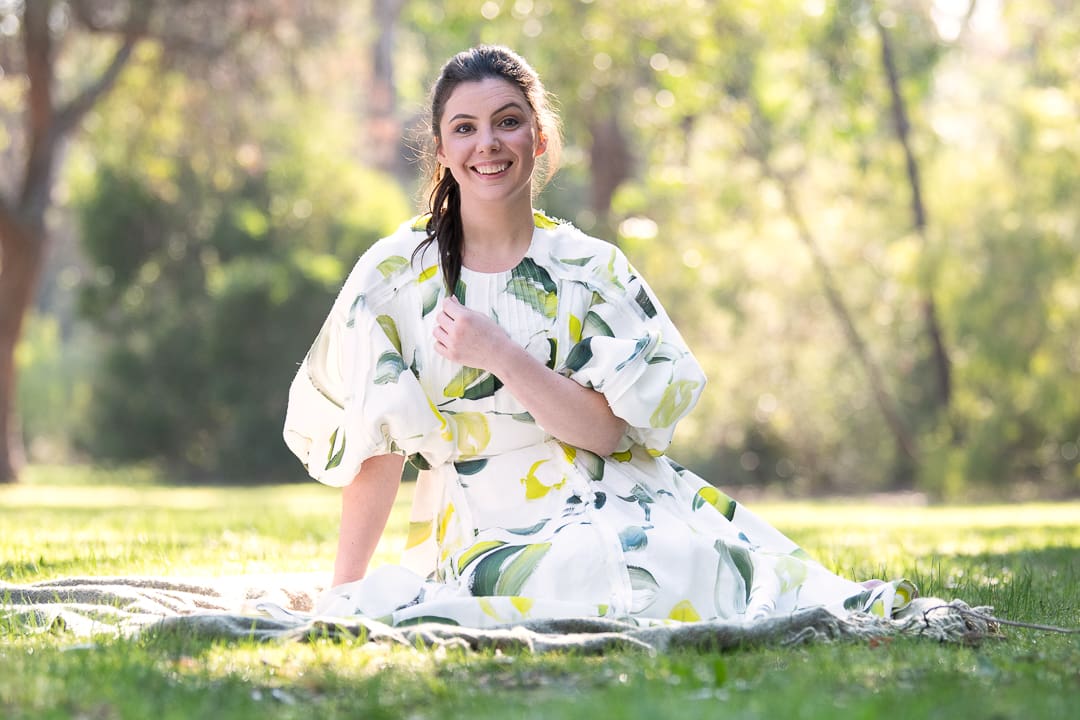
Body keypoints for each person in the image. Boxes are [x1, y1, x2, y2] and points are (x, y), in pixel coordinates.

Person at [283, 45, 915, 626]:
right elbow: (380, 442)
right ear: (442, 150)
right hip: (491, 513)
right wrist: (344, 592)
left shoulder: (592, 268)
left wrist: (498, 352)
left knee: (688, 567)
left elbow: (608, 432)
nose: (488, 145)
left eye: (507, 122)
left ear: (540, 135)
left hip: (621, 487)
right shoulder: (396, 276)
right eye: (465, 129)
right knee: (572, 573)